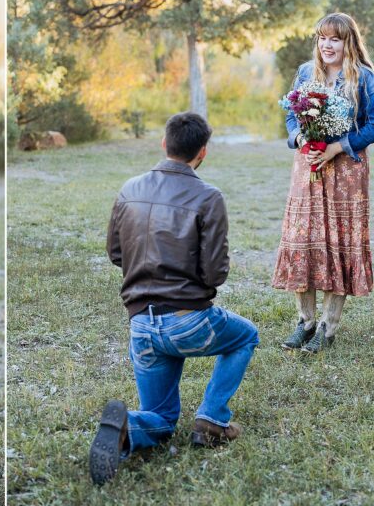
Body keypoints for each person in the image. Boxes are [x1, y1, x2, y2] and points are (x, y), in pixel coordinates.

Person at [90, 112, 259, 486]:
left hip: (142, 328)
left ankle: (127, 427)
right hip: (188, 322)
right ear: (203, 152)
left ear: (164, 144)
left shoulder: (129, 189)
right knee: (246, 335)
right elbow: (216, 273)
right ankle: (212, 419)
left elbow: (116, 254)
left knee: (163, 420)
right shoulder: (209, 196)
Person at [272, 12, 374, 353]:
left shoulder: (364, 79)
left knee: (339, 243)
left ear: (348, 42)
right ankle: (304, 322)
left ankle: (328, 325)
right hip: (308, 168)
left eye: (335, 38)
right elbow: (292, 114)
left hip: (346, 172)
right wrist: (299, 139)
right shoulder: (306, 73)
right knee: (302, 240)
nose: (327, 44)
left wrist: (337, 147)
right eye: (323, 37)